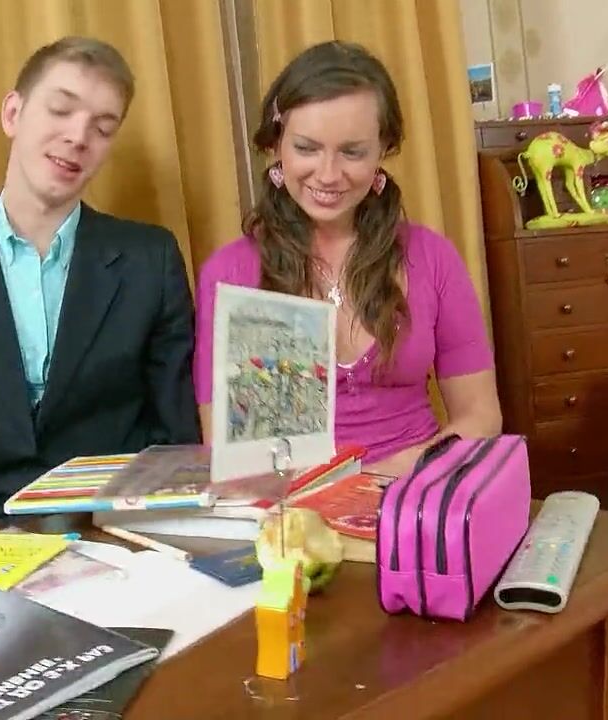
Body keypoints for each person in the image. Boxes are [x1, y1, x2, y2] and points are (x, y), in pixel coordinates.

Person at [0, 36, 200, 548]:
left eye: (102, 128)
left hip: (118, 537)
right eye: (61, 110)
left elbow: (175, 437)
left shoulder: (149, 259)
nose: (78, 137)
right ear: (13, 113)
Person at [193, 41, 501, 479]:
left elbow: (480, 417)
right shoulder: (231, 273)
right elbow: (236, 454)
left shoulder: (432, 257)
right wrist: (330, 498)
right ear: (276, 145)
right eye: (307, 148)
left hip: (415, 491)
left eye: (352, 152)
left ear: (383, 150)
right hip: (296, 507)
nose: (328, 174)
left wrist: (384, 481)